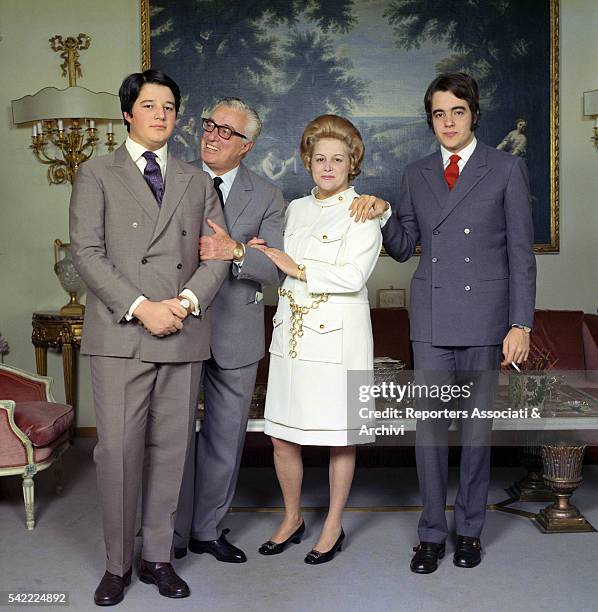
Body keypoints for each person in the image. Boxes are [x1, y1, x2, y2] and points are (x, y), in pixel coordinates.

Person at [350, 73, 536, 573]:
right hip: (431, 317)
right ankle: (431, 533)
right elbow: (403, 245)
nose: (448, 122)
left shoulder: (506, 168)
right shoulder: (416, 173)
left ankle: (470, 531)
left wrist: (521, 323)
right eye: (438, 113)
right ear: (430, 119)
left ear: (473, 114)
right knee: (429, 432)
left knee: (476, 433)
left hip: (487, 318)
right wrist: (384, 212)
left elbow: (521, 254)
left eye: (457, 111)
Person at [69, 69, 228, 605]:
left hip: (181, 330)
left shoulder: (195, 179)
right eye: (150, 105)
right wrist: (141, 307)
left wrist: (182, 303)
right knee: (116, 452)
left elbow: (218, 254)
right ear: (127, 114)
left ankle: (158, 557)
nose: (162, 114)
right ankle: (116, 565)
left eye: (169, 106)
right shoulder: (95, 173)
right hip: (121, 334)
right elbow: (86, 254)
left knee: (171, 451)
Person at [253, 114, 382, 565]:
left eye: (338, 159)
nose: (328, 167)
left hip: (339, 340)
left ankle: (333, 524)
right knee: (282, 437)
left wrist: (298, 268)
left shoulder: (363, 210)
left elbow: (352, 275)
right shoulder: (294, 209)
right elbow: (273, 260)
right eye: (319, 158)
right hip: (292, 334)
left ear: (352, 164)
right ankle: (292, 519)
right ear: (308, 161)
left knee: (340, 437)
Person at [174, 98, 285, 563]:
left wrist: (237, 250)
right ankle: (168, 535)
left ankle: (206, 530)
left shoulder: (268, 196)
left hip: (236, 334)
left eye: (227, 131)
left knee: (224, 439)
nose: (213, 135)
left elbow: (276, 267)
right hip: (178, 327)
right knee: (172, 439)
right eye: (210, 126)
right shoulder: (173, 181)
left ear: (247, 146)